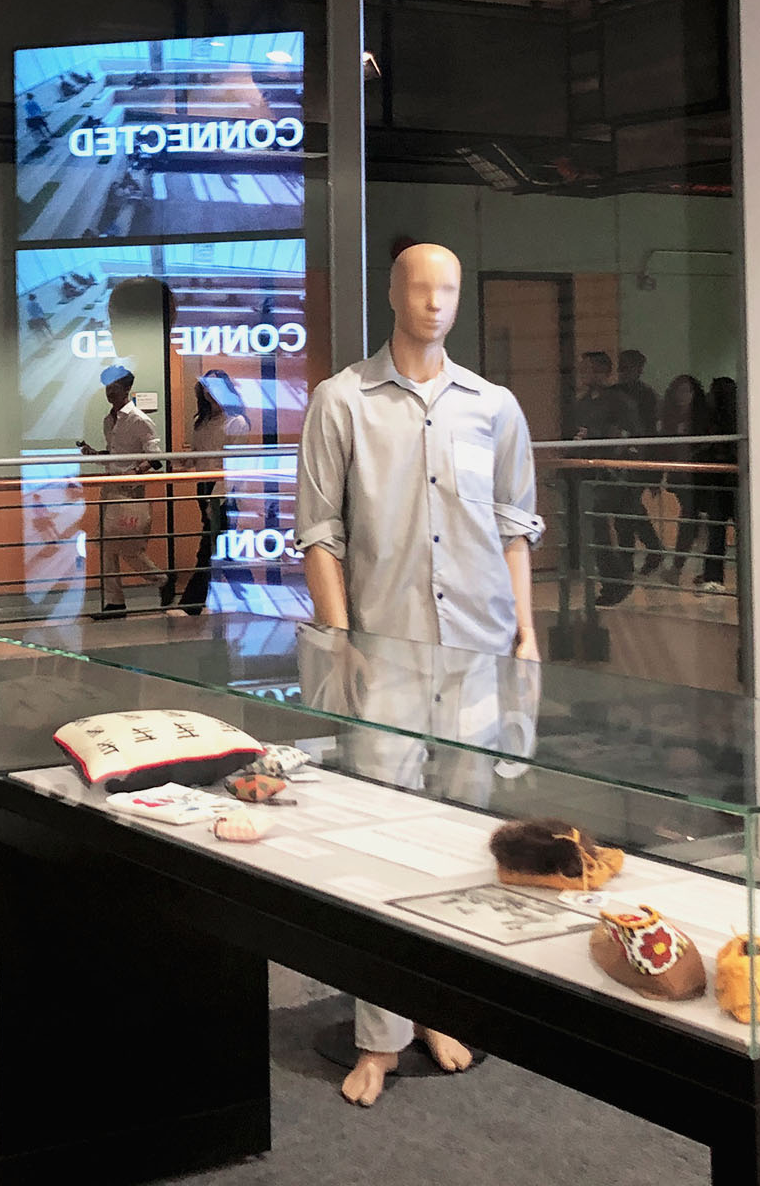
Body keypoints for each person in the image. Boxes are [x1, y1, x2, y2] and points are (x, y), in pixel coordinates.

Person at [296, 242, 542, 1107]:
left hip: (479, 649)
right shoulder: (342, 402)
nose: (435, 302)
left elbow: (516, 527)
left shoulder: (494, 408)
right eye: (420, 287)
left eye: (448, 289)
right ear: (393, 295)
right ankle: (377, 1035)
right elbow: (320, 533)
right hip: (387, 654)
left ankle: (444, 1006)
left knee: (466, 839)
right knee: (378, 845)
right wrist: (342, 638)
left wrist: (527, 636)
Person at [77, 364, 167, 615]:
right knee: (106, 545)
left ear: (127, 388)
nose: (110, 391)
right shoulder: (109, 420)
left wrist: (135, 472)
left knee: (127, 547)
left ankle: (161, 580)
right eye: (107, 385)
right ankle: (114, 602)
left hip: (129, 491)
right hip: (110, 487)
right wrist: (95, 454)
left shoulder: (139, 419)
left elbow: (156, 457)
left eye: (115, 385)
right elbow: (116, 454)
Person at [172, 369, 249, 615]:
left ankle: (191, 603)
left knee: (209, 545)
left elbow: (232, 467)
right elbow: (198, 454)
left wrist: (215, 498)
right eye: (206, 392)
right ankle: (245, 593)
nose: (210, 397)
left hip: (224, 490)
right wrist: (181, 462)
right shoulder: (203, 422)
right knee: (223, 545)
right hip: (204, 486)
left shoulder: (235, 422)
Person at [568, 352, 633, 604]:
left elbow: (629, 435)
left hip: (611, 473)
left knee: (607, 525)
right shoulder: (581, 404)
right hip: (587, 472)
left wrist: (597, 435)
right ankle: (613, 580)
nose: (584, 374)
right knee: (595, 529)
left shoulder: (619, 402)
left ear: (603, 372)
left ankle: (616, 580)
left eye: (589, 369)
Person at [654, 373, 712, 584]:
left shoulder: (704, 419)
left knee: (691, 521)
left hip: (700, 478)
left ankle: (682, 568)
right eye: (679, 391)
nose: (682, 396)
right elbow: (665, 450)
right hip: (682, 478)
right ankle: (681, 567)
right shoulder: (670, 419)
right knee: (690, 520)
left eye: (686, 391)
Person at [612, 349, 665, 573]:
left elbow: (650, 433)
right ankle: (650, 550)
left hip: (638, 459)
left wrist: (653, 472)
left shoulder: (647, 396)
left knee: (627, 509)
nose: (624, 371)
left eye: (629, 366)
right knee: (626, 509)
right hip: (618, 459)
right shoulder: (614, 393)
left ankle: (630, 559)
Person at [697, 376, 739, 593]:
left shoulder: (713, 420)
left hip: (721, 480)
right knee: (728, 532)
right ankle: (716, 575)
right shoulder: (738, 415)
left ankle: (714, 577)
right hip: (729, 481)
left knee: (716, 532)